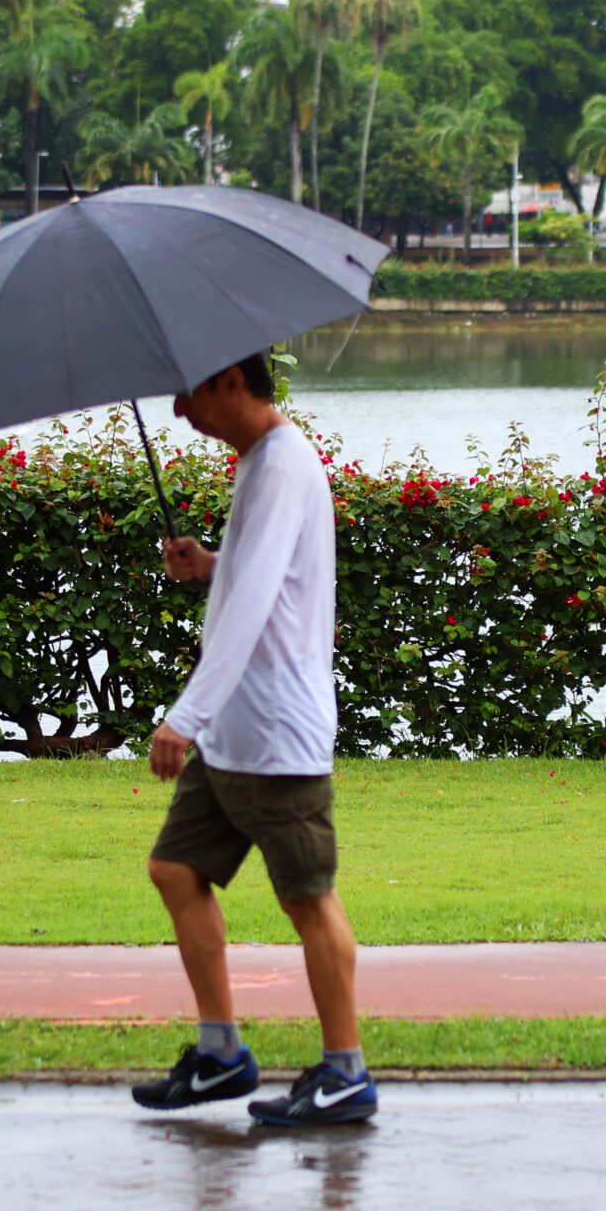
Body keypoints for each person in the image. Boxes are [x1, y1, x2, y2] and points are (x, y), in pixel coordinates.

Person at [129, 349, 375, 1126]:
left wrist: (185, 716)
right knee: (176, 868)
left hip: (274, 736)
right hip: (236, 736)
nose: (178, 409)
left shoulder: (281, 466)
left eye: (188, 391)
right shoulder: (260, 464)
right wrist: (210, 564)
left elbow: (255, 608)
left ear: (232, 381)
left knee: (309, 898)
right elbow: (265, 576)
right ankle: (221, 1055)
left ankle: (345, 1072)